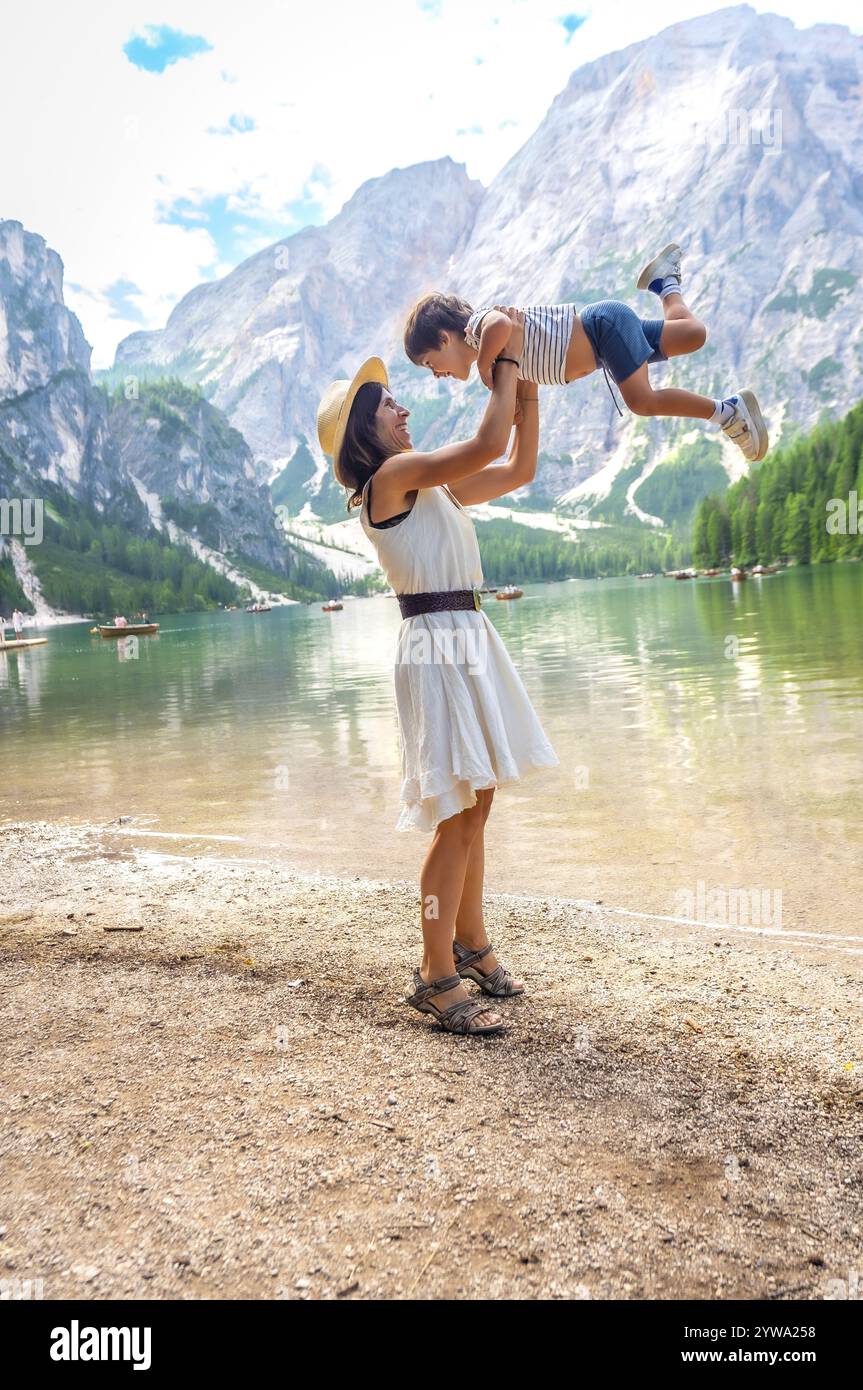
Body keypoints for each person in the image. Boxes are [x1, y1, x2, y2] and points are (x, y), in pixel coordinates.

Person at [316, 312, 558, 1038]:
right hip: (434, 647)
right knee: (454, 816)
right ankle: (433, 973)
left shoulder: (431, 485)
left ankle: (472, 944)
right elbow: (488, 440)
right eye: (391, 403)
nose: (405, 405)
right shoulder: (393, 478)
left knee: (475, 807)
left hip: (463, 638)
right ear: (368, 430)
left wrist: (531, 391)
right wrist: (504, 360)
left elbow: (517, 467)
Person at [403, 241, 769, 462]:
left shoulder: (478, 326)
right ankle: (665, 282)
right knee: (693, 334)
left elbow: (501, 325)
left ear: (444, 337)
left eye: (429, 363)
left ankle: (727, 412)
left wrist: (485, 367)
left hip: (603, 330)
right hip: (604, 343)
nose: (435, 373)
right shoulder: (499, 358)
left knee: (642, 401)